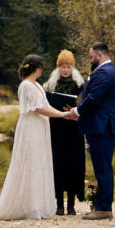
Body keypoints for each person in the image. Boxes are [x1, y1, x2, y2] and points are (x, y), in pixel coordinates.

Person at [0, 54, 78, 221]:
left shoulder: (36, 85)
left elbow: (46, 106)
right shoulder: (26, 86)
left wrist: (64, 114)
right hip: (31, 127)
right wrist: (63, 114)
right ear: (37, 68)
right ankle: (28, 205)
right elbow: (39, 108)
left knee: (38, 162)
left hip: (40, 126)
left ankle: (36, 204)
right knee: (29, 162)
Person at [76, 43, 115, 221]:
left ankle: (104, 208)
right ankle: (102, 205)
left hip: (101, 126)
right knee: (103, 167)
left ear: (99, 55)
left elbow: (93, 98)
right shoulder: (107, 70)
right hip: (101, 125)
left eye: (91, 57)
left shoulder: (104, 72)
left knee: (103, 168)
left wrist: (76, 112)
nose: (90, 60)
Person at [44, 49, 85, 216]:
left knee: (73, 164)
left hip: (74, 128)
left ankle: (71, 205)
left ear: (72, 68)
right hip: (57, 128)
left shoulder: (80, 85)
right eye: (63, 67)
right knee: (58, 164)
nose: (66, 70)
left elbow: (86, 105)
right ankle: (59, 204)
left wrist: (75, 110)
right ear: (58, 68)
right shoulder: (50, 86)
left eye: (68, 67)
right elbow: (46, 105)